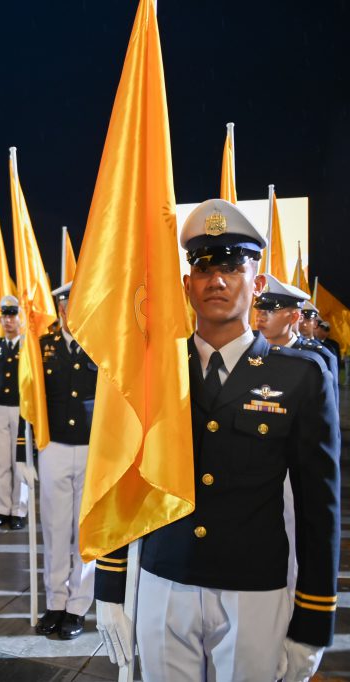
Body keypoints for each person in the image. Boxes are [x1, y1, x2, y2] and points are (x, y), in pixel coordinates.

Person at [95, 199, 340, 682]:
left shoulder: (301, 377)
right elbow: (121, 476)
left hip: (253, 587)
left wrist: (314, 619)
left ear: (259, 283)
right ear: (187, 285)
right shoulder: (153, 371)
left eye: (233, 266)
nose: (218, 280)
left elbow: (319, 507)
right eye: (205, 268)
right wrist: (110, 584)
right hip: (165, 579)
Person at [33, 281, 97, 640]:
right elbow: (30, 402)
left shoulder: (102, 348)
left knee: (84, 530)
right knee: (55, 529)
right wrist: (21, 452)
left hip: (91, 448)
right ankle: (56, 600)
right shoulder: (43, 347)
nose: (71, 313)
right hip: (54, 445)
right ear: (59, 311)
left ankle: (77, 605)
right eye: (65, 307)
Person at [0, 295, 32, 530]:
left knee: (20, 460)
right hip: (0, 406)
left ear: (20, 319)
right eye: (4, 316)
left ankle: (19, 510)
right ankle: (3, 509)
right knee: (1, 462)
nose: (8, 321)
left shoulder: (27, 347)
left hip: (21, 409)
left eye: (12, 316)